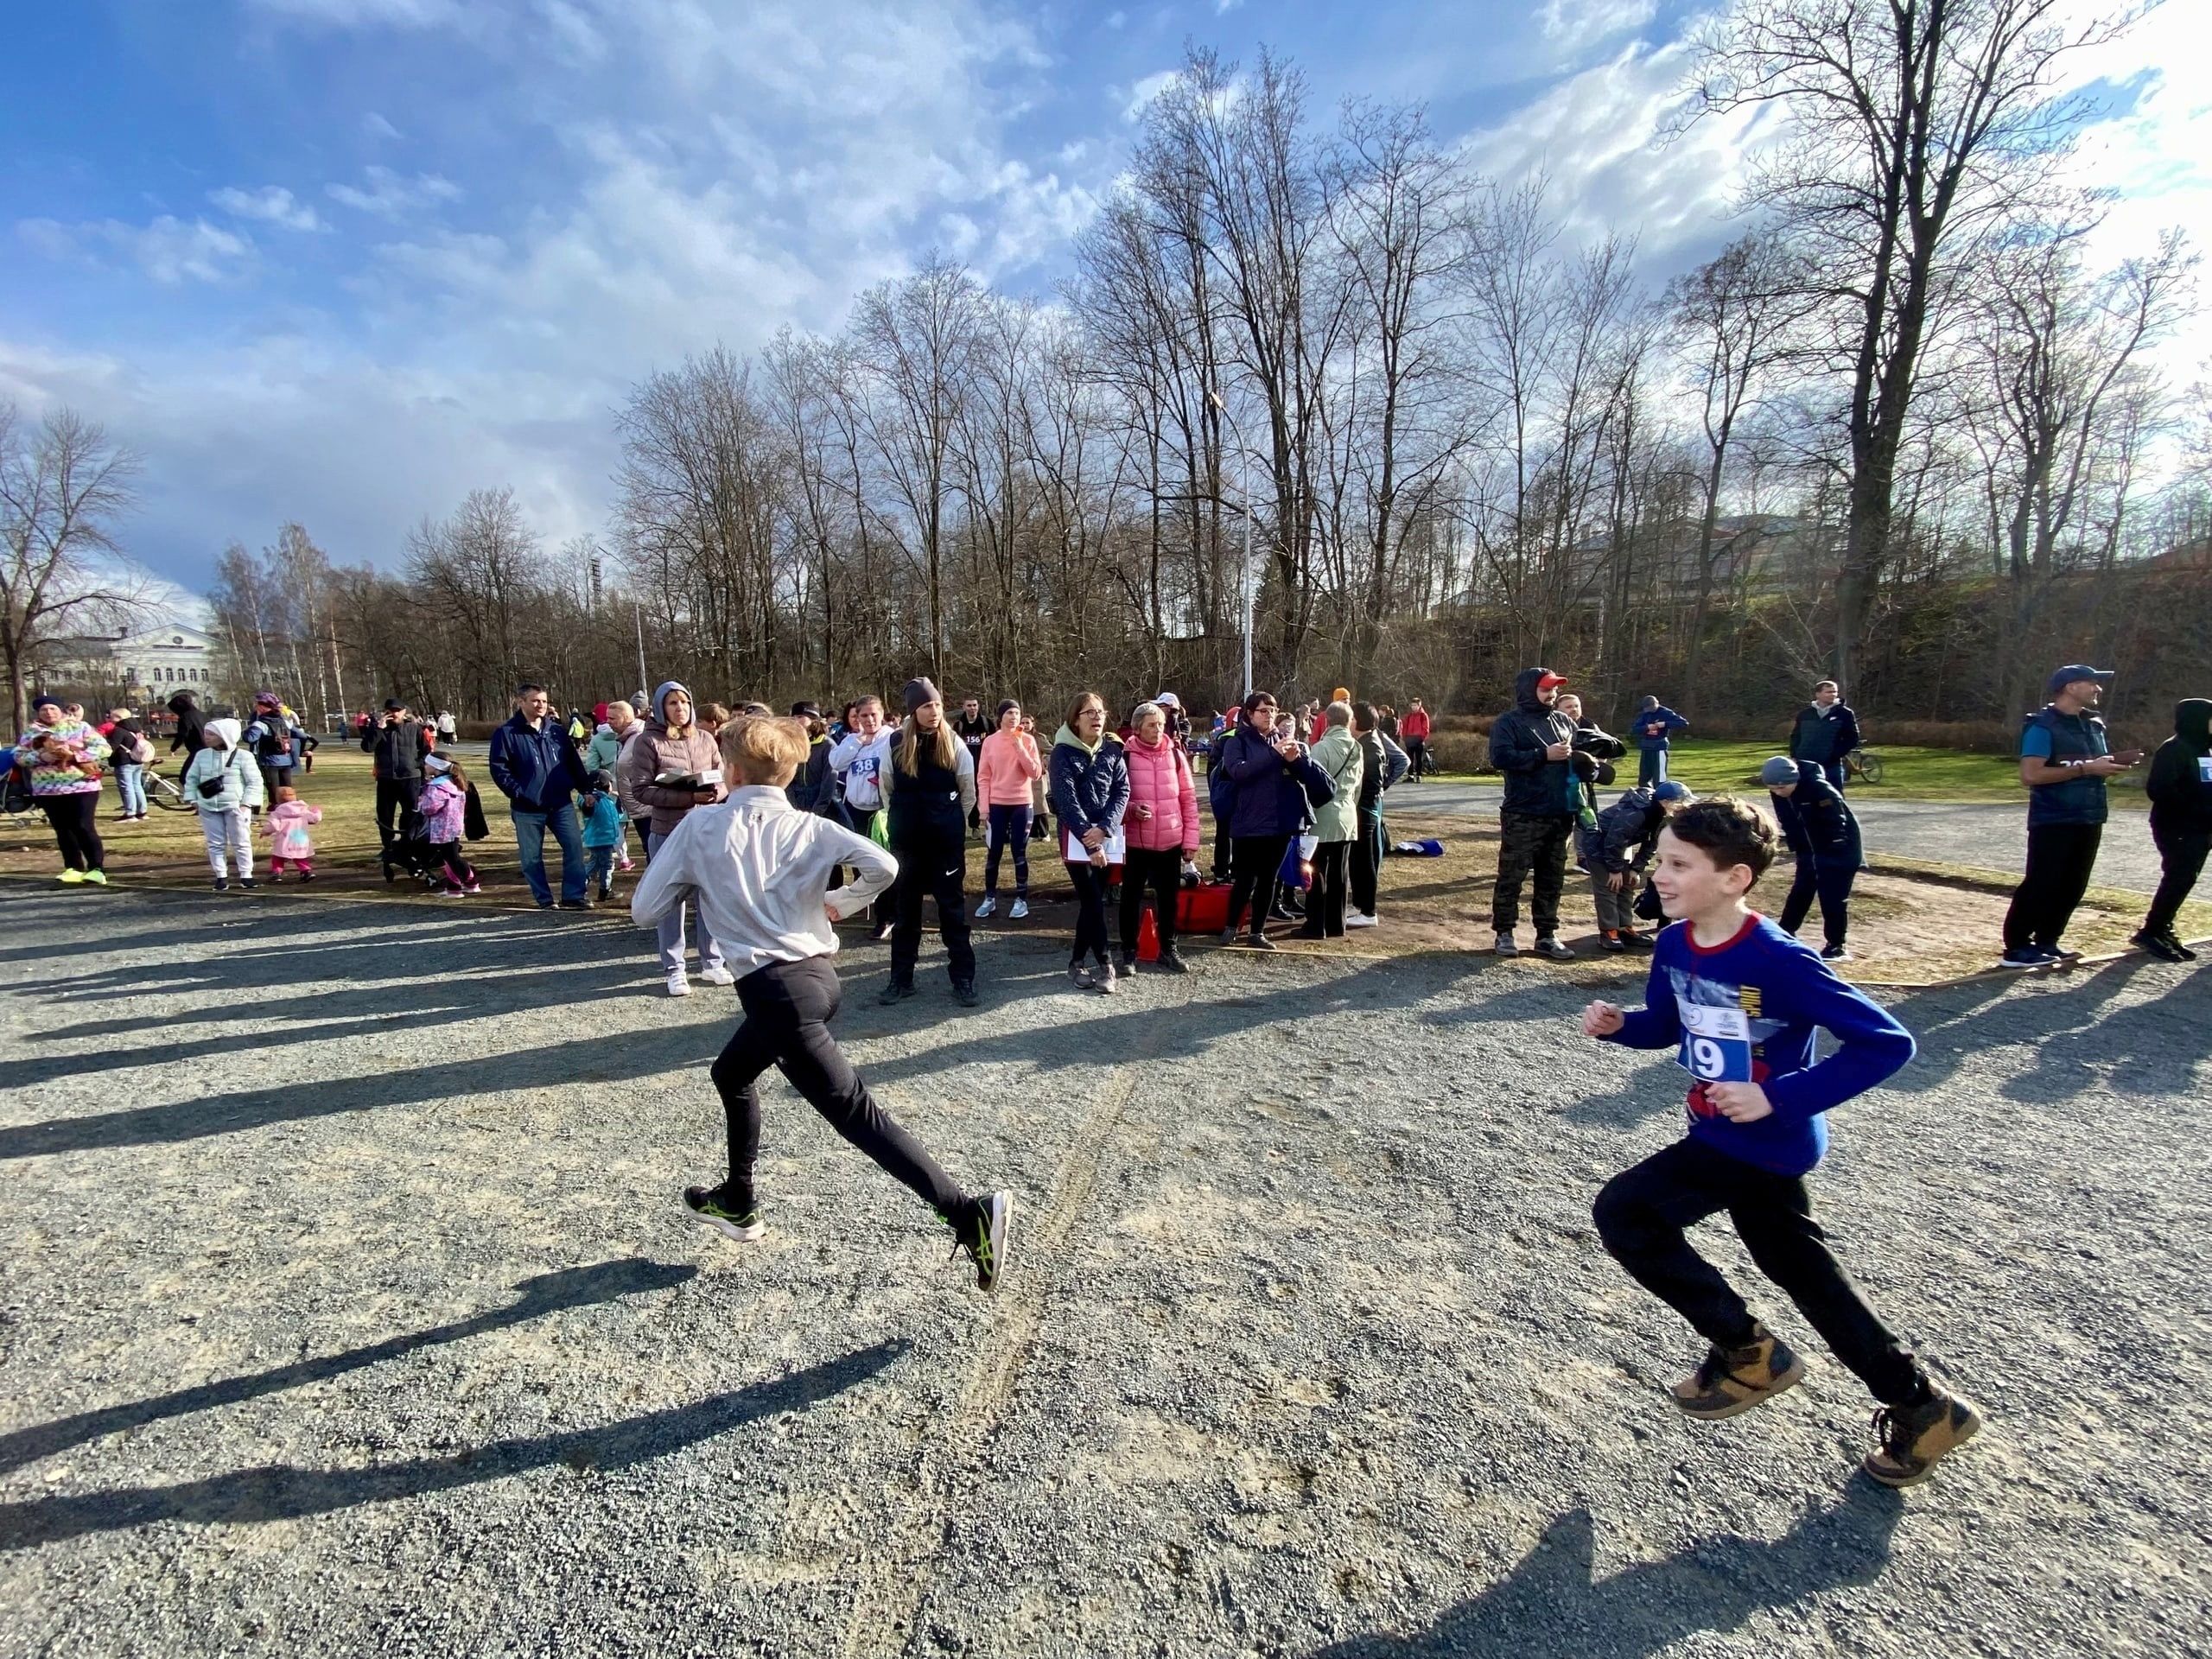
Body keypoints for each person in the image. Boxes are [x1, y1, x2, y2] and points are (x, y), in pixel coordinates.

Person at [1582, 795, 1980, 1489]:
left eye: (1679, 864)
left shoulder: (1780, 960)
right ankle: (1923, 1405)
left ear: (1735, 879)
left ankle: (1747, 1352)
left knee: (1627, 1212)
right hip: (1722, 1131)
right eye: (1659, 861)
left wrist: (1778, 1096)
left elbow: (1887, 1043)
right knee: (1807, 1277)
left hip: (1762, 1141)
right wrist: (1624, 1026)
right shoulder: (1676, 943)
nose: (1661, 876)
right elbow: (1670, 1025)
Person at [630, 715, 1012, 1288]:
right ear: (789, 771)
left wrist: (699, 878)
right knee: (731, 1072)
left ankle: (967, 1212)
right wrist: (841, 900)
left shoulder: (701, 826)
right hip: (818, 980)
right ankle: (737, 1197)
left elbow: (643, 911)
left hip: (776, 993)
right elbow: (885, 865)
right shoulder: (810, 826)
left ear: (728, 770)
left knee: (857, 1115)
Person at [2001, 664, 2141, 969]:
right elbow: (2031, 775)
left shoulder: (2094, 724)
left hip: (2089, 815)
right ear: (2069, 687)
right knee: (2042, 882)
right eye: (2091, 683)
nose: (2098, 689)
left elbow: (2090, 762)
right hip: (2053, 817)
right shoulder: (2042, 726)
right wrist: (2087, 769)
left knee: (2073, 884)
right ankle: (2017, 948)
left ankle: (2048, 941)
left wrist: (2112, 764)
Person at [619, 680, 733, 992]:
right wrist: (688, 798)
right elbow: (641, 790)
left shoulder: (706, 738)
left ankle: (712, 962)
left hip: (707, 828)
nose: (680, 709)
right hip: (669, 830)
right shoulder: (648, 742)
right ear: (660, 708)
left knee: (711, 897)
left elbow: (722, 776)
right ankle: (674, 967)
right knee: (671, 901)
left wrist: (716, 792)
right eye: (672, 703)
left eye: (684, 702)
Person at [877, 678, 981, 1007]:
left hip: (945, 843)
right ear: (913, 711)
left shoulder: (954, 742)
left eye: (936, 704)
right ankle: (901, 979)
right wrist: (906, 820)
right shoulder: (894, 743)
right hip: (907, 843)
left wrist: (946, 820)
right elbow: (886, 790)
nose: (933, 711)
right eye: (926, 706)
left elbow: (968, 792)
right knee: (906, 913)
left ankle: (963, 978)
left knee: (952, 913)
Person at [1216, 690, 1332, 950]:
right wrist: (1273, 754)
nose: (1269, 716)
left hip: (1279, 824)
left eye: (1272, 710)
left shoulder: (1282, 739)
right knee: (1244, 879)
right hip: (1248, 822)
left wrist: (1296, 760)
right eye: (1263, 711)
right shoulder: (1237, 742)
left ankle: (1258, 931)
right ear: (1250, 714)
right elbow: (1239, 772)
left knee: (1270, 879)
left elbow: (1301, 777)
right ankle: (1231, 927)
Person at [1487, 667, 1580, 960]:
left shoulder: (1563, 721)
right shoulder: (1509, 723)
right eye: (1545, 689)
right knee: (1512, 876)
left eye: (1553, 689)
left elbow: (1581, 752)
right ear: (1529, 691)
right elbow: (1500, 757)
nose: (1551, 694)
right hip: (1523, 813)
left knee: (1552, 878)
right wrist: (1543, 755)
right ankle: (1504, 932)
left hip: (1559, 813)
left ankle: (1547, 935)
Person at [1047, 690, 1130, 991]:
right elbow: (1066, 799)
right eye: (1089, 712)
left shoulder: (1112, 751)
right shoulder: (1062, 753)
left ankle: (1076, 962)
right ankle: (1106, 965)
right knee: (1093, 900)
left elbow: (1122, 790)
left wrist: (1106, 828)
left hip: (1107, 835)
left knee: (1092, 902)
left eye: (1100, 712)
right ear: (1075, 718)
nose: (1097, 717)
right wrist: (1091, 842)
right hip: (1076, 837)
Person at [490, 682, 593, 913]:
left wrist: (586, 790)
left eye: (544, 701)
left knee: (575, 848)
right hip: (527, 808)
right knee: (531, 858)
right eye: (535, 701)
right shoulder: (507, 733)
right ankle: (545, 899)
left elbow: (574, 765)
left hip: (560, 803)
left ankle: (574, 896)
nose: (541, 705)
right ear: (521, 702)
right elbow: (499, 769)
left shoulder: (556, 731)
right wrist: (519, 793)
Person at [1118, 699, 1199, 975]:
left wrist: (1190, 841)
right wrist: (1130, 811)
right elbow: (1114, 800)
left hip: (1170, 841)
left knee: (1169, 899)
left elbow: (1188, 799)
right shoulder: (1124, 757)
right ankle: (1129, 952)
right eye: (1152, 725)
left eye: (1161, 724)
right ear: (1137, 728)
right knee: (1130, 898)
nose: (1158, 729)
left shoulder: (1175, 756)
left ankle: (1169, 948)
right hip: (1135, 843)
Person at [1762, 757, 1863, 962]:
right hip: (1809, 850)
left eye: (1782, 787)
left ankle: (1836, 946)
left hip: (1838, 850)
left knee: (1832, 897)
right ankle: (1786, 932)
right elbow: (1788, 820)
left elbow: (1837, 820)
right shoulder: (1780, 793)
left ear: (1794, 779)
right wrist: (1798, 846)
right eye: (1773, 789)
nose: (1778, 792)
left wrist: (1833, 852)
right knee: (1801, 890)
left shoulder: (1818, 788)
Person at [2135, 697, 2211, 963]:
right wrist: (2197, 809)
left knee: (2186, 878)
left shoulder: (2205, 749)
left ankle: (2163, 927)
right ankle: (2151, 930)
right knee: (2178, 876)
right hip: (2177, 826)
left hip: (2201, 827)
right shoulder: (2174, 749)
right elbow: (2159, 789)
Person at [1579, 779, 1694, 950]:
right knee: (1608, 886)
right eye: (1681, 803)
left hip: (1617, 847)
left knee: (1627, 885)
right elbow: (1614, 840)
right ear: (1666, 802)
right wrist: (1614, 870)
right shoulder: (1637, 812)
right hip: (1598, 844)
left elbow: (1653, 844)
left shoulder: (1663, 815)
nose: (1684, 807)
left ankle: (1624, 928)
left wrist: (1635, 869)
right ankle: (1608, 931)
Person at [14, 694, 111, 886]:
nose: (49, 713)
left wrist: (75, 756)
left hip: (81, 785)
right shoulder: (31, 732)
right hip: (48, 789)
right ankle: (73, 868)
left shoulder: (80, 727)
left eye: (53, 709)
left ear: (61, 711)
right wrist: (42, 758)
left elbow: (104, 749)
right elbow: (19, 756)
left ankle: (96, 868)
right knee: (63, 829)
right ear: (38, 713)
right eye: (44, 710)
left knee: (83, 825)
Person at [828, 696, 896, 938]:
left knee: (883, 865)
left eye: (873, 714)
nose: (868, 720)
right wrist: (857, 742)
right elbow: (835, 762)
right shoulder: (851, 739)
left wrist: (886, 780)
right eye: (862, 715)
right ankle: (862, 905)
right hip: (856, 808)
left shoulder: (890, 737)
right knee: (860, 865)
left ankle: (887, 916)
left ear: (882, 714)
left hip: (882, 811)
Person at [1300, 702, 1365, 940]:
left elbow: (1313, 784)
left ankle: (1316, 924)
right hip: (1347, 814)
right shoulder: (1357, 748)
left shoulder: (1321, 748)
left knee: (1316, 872)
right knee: (1340, 873)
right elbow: (1357, 785)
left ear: (1326, 721)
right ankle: (1337, 923)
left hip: (1323, 816)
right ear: (1349, 722)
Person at [975, 699, 1042, 920]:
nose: (1014, 717)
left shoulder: (1028, 740)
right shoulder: (990, 742)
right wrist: (983, 809)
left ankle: (1021, 900)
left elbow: (1035, 773)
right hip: (996, 804)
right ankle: (989, 898)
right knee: (993, 853)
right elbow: (983, 776)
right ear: (1000, 716)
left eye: (1017, 712)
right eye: (1009, 713)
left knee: (1018, 852)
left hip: (1022, 803)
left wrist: (1019, 746)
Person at [1348, 702, 1410, 927]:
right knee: (1358, 860)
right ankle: (1359, 905)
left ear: (1358, 721)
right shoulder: (1365, 742)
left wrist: (1382, 787)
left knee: (1366, 860)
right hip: (1365, 808)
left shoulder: (1370, 747)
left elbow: (1369, 783)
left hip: (1365, 810)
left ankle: (1368, 911)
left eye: (1351, 718)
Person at [183, 716, 263, 891]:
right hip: (208, 806)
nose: (207, 737)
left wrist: (246, 804)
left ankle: (246, 874)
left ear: (225, 735)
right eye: (206, 733)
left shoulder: (244, 756)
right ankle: (221, 876)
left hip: (236, 807)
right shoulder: (202, 755)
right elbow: (192, 778)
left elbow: (255, 782)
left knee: (241, 841)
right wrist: (193, 800)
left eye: (211, 734)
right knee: (215, 843)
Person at [361, 697, 434, 871]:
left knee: (411, 814)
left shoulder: (415, 729)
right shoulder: (378, 729)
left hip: (410, 779)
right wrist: (378, 729)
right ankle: (387, 847)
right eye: (390, 711)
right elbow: (367, 747)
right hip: (386, 779)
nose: (393, 714)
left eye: (396, 710)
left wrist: (416, 764)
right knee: (385, 815)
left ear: (403, 712)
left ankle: (408, 846)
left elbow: (427, 751)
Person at [584, 699, 640, 873]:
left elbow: (592, 766)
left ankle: (621, 858)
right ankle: (621, 859)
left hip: (610, 788)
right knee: (626, 824)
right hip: (632, 788)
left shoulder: (597, 740)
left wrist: (603, 777)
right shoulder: (634, 733)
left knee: (615, 826)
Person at [416, 753, 482, 897]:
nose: (425, 767)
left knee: (452, 858)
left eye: (428, 765)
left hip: (441, 828)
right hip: (454, 826)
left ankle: (471, 881)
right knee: (450, 857)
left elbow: (429, 807)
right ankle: (454, 887)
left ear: (437, 768)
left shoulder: (437, 787)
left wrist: (421, 801)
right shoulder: (455, 783)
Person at [1788, 681, 1861, 792]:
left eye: (1834, 692)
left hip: (1831, 765)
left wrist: (1834, 754)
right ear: (1818, 694)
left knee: (1834, 798)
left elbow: (1852, 738)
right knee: (1806, 797)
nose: (1833, 694)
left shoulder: (1845, 713)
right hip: (1805, 763)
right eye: (1828, 692)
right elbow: (1796, 736)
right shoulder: (1805, 714)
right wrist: (1795, 755)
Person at [244, 691, 303, 812]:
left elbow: (249, 738)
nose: (255, 707)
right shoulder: (284, 721)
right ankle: (291, 810)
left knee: (274, 790)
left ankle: (275, 812)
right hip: (286, 759)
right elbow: (301, 735)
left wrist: (248, 729)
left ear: (262, 707)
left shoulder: (260, 724)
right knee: (287, 789)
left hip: (269, 761)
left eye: (257, 705)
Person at [582, 767, 627, 904]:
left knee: (599, 865)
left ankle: (603, 890)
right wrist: (589, 804)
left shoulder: (608, 801)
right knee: (602, 865)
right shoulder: (595, 798)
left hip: (605, 839)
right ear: (604, 784)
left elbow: (614, 818)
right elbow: (587, 809)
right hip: (599, 840)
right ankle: (594, 890)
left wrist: (620, 805)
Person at [260, 785, 322, 881]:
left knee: (278, 856)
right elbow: (315, 819)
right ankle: (306, 871)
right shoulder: (303, 811)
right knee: (300, 856)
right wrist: (317, 811)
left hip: (284, 840)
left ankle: (276, 872)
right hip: (300, 839)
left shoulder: (277, 813)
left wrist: (265, 831)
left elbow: (273, 825)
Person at [105, 708, 153, 822]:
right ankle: (142, 811)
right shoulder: (136, 729)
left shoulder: (119, 730)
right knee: (137, 786)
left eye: (112, 717)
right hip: (137, 761)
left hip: (124, 762)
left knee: (126, 787)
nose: (109, 719)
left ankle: (130, 813)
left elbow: (112, 746)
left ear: (120, 718)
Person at [952, 695, 992, 829]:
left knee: (989, 794)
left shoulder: (987, 724)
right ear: (964, 707)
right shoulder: (958, 726)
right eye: (969, 705)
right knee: (971, 795)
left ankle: (992, 824)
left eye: (974, 705)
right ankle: (974, 826)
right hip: (966, 768)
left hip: (986, 766)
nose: (972, 708)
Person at [1633, 696, 1690, 787]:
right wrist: (1647, 727)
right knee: (1644, 777)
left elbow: (1683, 723)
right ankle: (1645, 795)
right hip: (1646, 747)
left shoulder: (1666, 713)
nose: (1649, 710)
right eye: (1647, 708)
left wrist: (1665, 724)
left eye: (1651, 708)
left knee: (1659, 778)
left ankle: (1660, 795)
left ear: (1656, 704)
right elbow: (1635, 729)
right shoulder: (1644, 715)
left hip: (1660, 747)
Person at [167, 690, 208, 763]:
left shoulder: (185, 717)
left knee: (187, 772)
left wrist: (174, 748)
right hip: (208, 745)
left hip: (197, 747)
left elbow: (183, 733)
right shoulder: (201, 714)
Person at [1399, 697, 1432, 779]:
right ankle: (1410, 775)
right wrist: (1404, 736)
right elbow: (1405, 726)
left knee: (1418, 758)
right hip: (1409, 738)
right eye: (1412, 705)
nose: (1413, 707)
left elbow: (1426, 728)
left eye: (1415, 705)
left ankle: (1419, 775)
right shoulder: (1409, 716)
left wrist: (1422, 738)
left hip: (1418, 738)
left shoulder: (1423, 715)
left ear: (1419, 706)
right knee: (1409, 758)